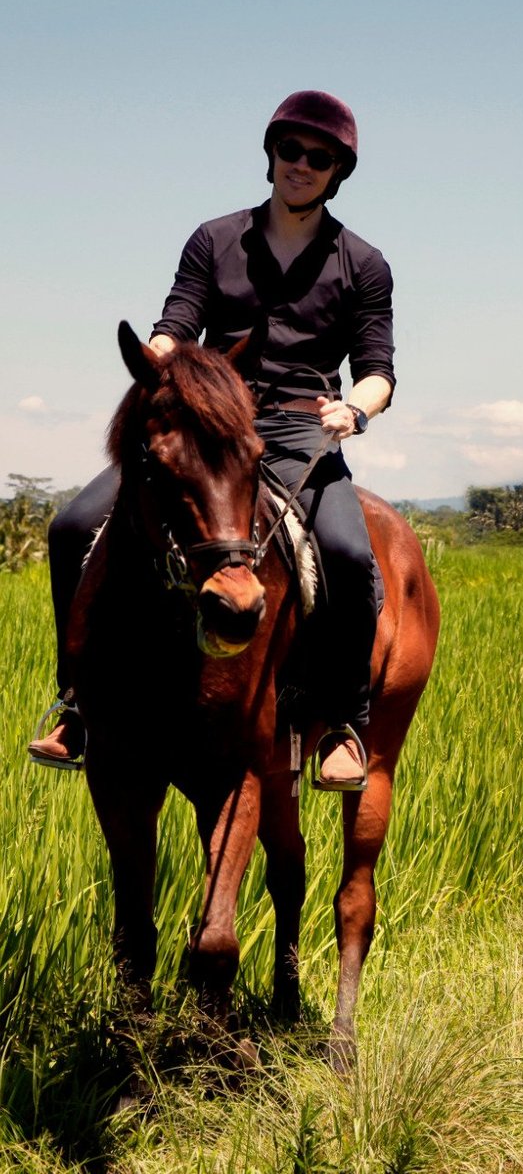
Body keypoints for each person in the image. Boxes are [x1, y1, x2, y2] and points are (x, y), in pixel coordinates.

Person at [28, 89, 394, 790]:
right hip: (208, 428)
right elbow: (178, 319)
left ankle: (344, 722)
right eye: (291, 149)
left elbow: (378, 370)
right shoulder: (215, 239)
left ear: (336, 172)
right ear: (272, 154)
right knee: (72, 525)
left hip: (298, 431)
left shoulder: (363, 263)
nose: (302, 164)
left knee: (348, 555)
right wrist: (161, 360)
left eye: (320, 158)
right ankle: (76, 700)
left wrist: (355, 409)